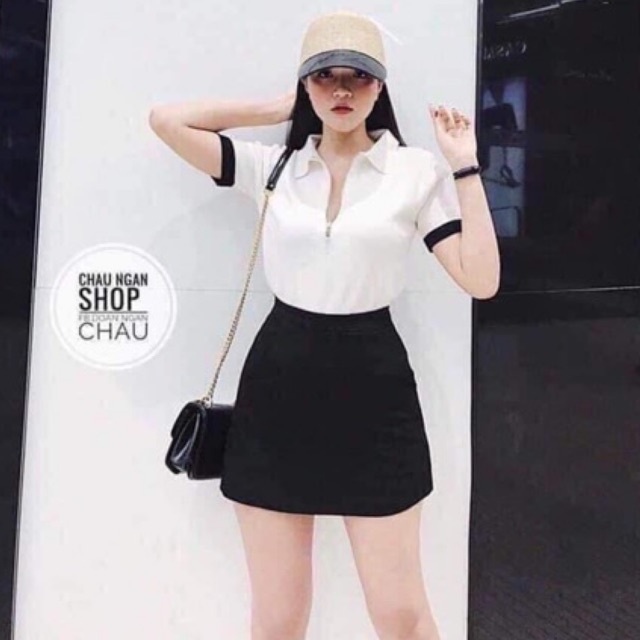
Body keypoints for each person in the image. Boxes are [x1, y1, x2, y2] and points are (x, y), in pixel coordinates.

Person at [149, 9, 499, 640]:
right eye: (324, 76)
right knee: (278, 617)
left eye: (357, 76)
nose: (341, 90)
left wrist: (465, 166)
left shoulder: (413, 172)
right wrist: (275, 107)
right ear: (306, 84)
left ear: (379, 86)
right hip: (278, 390)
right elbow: (166, 121)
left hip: (375, 391)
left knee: (400, 613)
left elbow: (481, 279)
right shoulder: (273, 166)